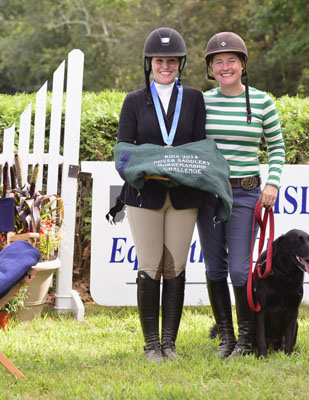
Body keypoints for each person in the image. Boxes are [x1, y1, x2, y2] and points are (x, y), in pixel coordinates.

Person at [116, 27, 206, 363]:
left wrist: (182, 166)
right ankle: (151, 345)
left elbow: (201, 147)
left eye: (171, 61)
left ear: (180, 63)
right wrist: (152, 166)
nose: (165, 66)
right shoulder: (133, 101)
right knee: (150, 265)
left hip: (183, 196)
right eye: (159, 60)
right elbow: (123, 151)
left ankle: (170, 343)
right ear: (149, 63)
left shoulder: (194, 99)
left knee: (175, 267)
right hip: (145, 195)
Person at [197, 32, 285, 357]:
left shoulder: (262, 102)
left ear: (243, 65)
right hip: (209, 194)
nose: (225, 67)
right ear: (210, 68)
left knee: (239, 269)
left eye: (231, 60)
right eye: (218, 61)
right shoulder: (202, 102)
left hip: (246, 194)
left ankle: (247, 339)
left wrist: (272, 183)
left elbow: (277, 147)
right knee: (214, 268)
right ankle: (226, 337)